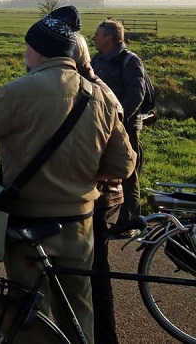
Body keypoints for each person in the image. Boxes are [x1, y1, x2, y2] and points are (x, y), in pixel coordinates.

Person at [0, 6, 135, 343]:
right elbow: (124, 165)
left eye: (27, 46)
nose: (24, 52)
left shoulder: (20, 91)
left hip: (29, 226)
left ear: (39, 50)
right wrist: (85, 173)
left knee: (30, 317)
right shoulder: (100, 96)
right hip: (80, 225)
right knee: (79, 314)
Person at [72, 34, 126, 344]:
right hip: (106, 195)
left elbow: (119, 157)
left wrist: (90, 177)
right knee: (95, 272)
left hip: (99, 197)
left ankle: (103, 336)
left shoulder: (92, 94)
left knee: (95, 274)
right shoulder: (97, 87)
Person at [92, 18, 150, 234]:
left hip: (125, 127)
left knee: (128, 173)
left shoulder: (131, 61)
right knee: (104, 172)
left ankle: (130, 222)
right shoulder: (97, 59)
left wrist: (118, 119)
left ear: (109, 37)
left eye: (98, 34)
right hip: (101, 126)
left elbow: (137, 94)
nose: (94, 37)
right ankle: (105, 217)